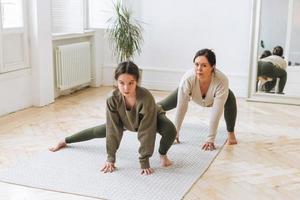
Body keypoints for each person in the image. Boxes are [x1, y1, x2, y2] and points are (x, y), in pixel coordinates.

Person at [49, 61, 176, 175]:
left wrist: (144, 160)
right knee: (98, 131)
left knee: (170, 130)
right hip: (126, 120)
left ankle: (163, 154)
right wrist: (111, 158)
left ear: (137, 81)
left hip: (151, 117)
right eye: (121, 83)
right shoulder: (112, 99)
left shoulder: (146, 97)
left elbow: (146, 132)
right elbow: (113, 130)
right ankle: (65, 141)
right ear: (116, 81)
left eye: (131, 83)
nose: (126, 88)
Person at [157, 49, 238, 151]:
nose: (199, 69)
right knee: (159, 106)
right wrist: (175, 132)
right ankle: (141, 110)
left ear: (212, 67)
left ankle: (231, 132)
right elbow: (181, 107)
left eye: (204, 65)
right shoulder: (188, 78)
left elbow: (216, 112)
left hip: (214, 99)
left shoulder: (222, 80)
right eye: (196, 64)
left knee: (230, 97)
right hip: (192, 93)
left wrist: (210, 139)